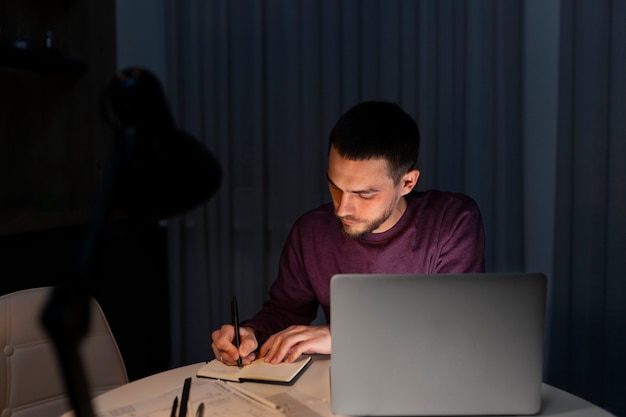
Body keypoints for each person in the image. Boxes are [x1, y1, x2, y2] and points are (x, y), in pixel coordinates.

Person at [211, 100, 485, 366]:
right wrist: (251, 335)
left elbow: (452, 326)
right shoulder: (311, 232)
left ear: (407, 183)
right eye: (335, 187)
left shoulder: (452, 221)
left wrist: (344, 336)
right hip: (346, 381)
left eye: (364, 194)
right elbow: (285, 311)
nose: (342, 209)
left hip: (430, 379)